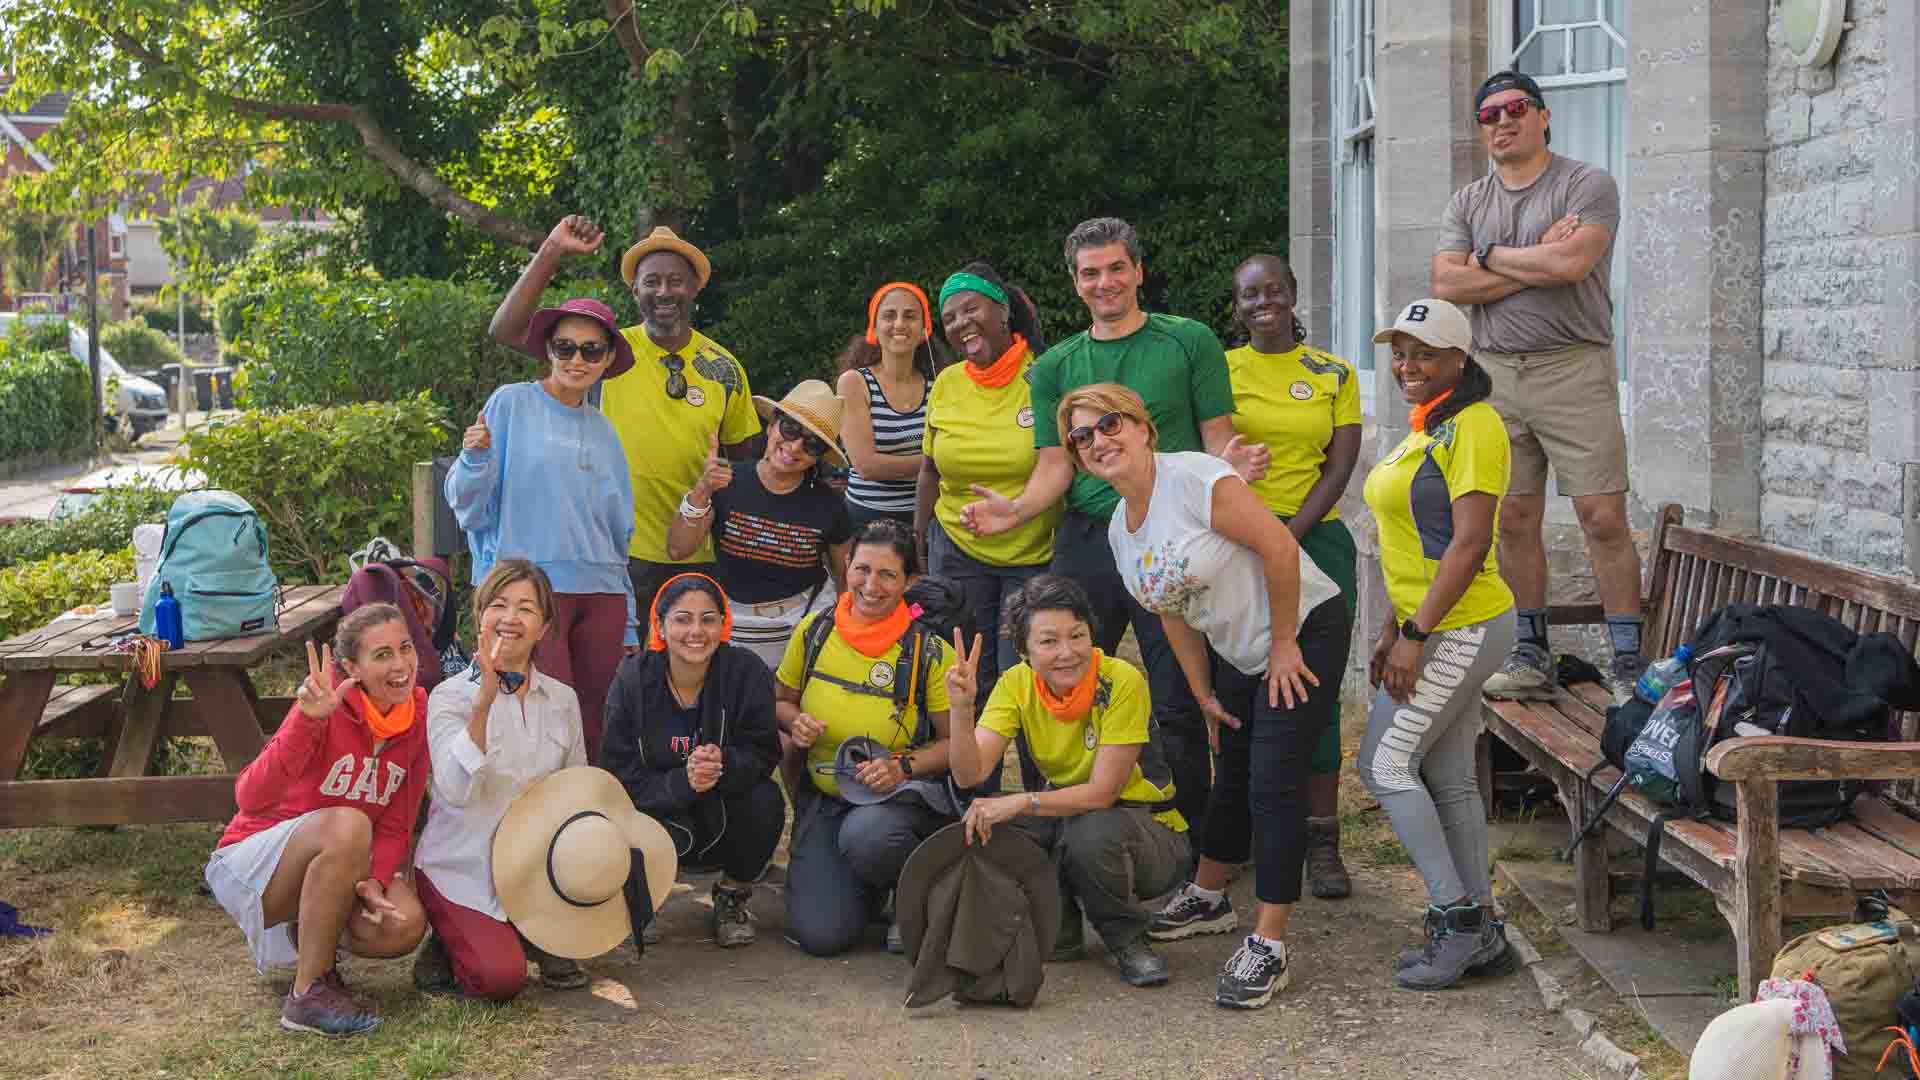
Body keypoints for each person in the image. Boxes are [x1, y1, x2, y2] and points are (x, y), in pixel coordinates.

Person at [960, 217, 1269, 838]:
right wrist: (1017, 510)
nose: (1105, 283)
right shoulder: (1055, 367)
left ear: (1137, 272)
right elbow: (1055, 466)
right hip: (1087, 538)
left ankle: (1197, 836)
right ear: (1075, 283)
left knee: (1180, 692)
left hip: (1171, 537)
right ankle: (1053, 825)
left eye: (1116, 269)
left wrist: (1230, 469)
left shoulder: (1189, 341)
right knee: (1052, 668)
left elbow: (1216, 437)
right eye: (1090, 273)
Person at [1066, 382, 1348, 1010]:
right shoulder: (1121, 528)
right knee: (1234, 767)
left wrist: (1282, 644)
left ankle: (1269, 944)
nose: (1097, 442)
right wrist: (1202, 695)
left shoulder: (1196, 479)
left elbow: (1278, 545)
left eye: (1108, 424)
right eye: (1081, 437)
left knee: (1273, 783)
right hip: (1239, 647)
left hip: (1304, 625)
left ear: (1142, 426)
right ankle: (1211, 894)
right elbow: (1170, 609)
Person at [1431, 70, 1643, 701]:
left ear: (1543, 116)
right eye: (1489, 114)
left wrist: (1489, 259)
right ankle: (1531, 654)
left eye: (1515, 108)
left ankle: (1629, 663)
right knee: (1514, 518)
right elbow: (1446, 284)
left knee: (1601, 515)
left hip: (1573, 367)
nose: (1502, 121)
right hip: (1494, 374)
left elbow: (1574, 262)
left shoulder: (1586, 184)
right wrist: (1530, 263)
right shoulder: (1468, 203)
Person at [1356, 299, 1519, 990]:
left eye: (1423, 352)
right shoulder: (1428, 428)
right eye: (1399, 352)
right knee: (1447, 776)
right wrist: (1394, 628)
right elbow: (1411, 546)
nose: (1407, 365)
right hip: (1428, 623)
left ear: (1460, 358)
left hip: (1463, 625)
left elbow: (1470, 542)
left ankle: (1457, 918)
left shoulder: (1475, 426)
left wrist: (1416, 635)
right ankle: (1483, 929)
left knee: (1385, 763)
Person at [488, 215, 763, 610]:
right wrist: (552, 250)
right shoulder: (605, 352)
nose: (664, 291)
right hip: (606, 553)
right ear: (635, 291)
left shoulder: (725, 368)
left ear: (696, 287)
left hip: (693, 556)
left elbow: (742, 464)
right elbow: (507, 332)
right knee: (616, 669)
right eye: (652, 282)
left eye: (676, 280)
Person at [945, 575, 1190, 989]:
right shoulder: (1016, 684)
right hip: (1071, 811)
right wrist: (962, 707)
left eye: (1077, 635)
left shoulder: (1121, 681)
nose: (1066, 653)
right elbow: (970, 774)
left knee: (1089, 834)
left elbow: (1103, 792)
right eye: (1048, 641)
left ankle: (1126, 937)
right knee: (984, 820)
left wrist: (1022, 801)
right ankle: (1061, 923)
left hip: (1146, 827)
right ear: (1023, 650)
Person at [204, 606, 431, 1036]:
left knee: (404, 923)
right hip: (254, 863)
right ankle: (307, 994)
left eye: (405, 648)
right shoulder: (325, 708)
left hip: (337, 860)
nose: (401, 665)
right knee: (350, 824)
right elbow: (249, 796)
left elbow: (397, 824)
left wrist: (376, 881)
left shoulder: (416, 714)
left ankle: (309, 942)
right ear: (352, 667)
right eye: (382, 655)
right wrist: (305, 721)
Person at [1220, 254, 1363, 900]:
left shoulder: (1333, 373)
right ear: (1238, 305)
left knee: (1315, 689)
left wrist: (1288, 535)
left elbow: (1338, 469)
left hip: (1314, 541)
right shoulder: (1221, 371)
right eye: (1250, 294)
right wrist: (1255, 532)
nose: (1263, 302)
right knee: (1239, 683)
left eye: (1274, 290)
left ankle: (1322, 840)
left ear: (1294, 293)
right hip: (1237, 541)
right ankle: (1244, 830)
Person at [448, 296, 638, 765]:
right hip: (527, 591)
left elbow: (618, 535)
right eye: (565, 347)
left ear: (608, 359)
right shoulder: (511, 403)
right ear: (548, 350)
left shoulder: (605, 430)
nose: (577, 360)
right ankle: (525, 824)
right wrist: (472, 460)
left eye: (592, 350)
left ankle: (583, 821)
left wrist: (630, 615)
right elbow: (468, 507)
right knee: (531, 715)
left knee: (594, 720)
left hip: (601, 595)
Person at [412, 559, 593, 1001]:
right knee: (500, 980)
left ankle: (523, 927)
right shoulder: (449, 696)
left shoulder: (563, 700)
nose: (511, 618)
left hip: (534, 868)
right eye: (499, 605)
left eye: (527, 609)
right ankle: (450, 935)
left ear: (544, 628)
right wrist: (484, 703)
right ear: (480, 617)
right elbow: (454, 790)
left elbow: (575, 792)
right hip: (463, 867)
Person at [775, 519, 957, 957]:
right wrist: (794, 722)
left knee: (870, 837)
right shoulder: (816, 630)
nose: (870, 585)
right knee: (822, 937)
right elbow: (781, 701)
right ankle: (864, 888)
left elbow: (956, 745)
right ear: (847, 566)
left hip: (891, 806)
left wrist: (902, 768)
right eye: (861, 569)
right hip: (826, 798)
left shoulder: (928, 651)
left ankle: (907, 890)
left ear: (910, 581)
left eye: (887, 574)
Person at [916, 262, 1059, 789]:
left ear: (1003, 309)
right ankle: (974, 800)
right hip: (958, 551)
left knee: (1033, 676)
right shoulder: (948, 383)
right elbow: (929, 470)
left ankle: (1045, 804)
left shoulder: (1044, 374)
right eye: (950, 317)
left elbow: (1061, 463)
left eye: (970, 308)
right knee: (970, 679)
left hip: (1034, 554)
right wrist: (920, 552)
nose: (960, 323)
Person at [601, 573, 785, 948]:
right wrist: (682, 782)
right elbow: (616, 773)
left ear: (723, 624)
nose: (695, 631)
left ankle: (732, 895)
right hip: (657, 810)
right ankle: (643, 897)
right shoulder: (632, 679)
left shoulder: (746, 672)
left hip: (721, 808)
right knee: (620, 814)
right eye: (682, 619)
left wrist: (723, 764)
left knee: (765, 800)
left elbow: (764, 753)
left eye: (708, 618)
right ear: (660, 626)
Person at [667, 380, 853, 670]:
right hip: (733, 623)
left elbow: (845, 579)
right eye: (790, 429)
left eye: (812, 444)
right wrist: (702, 491)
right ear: (771, 425)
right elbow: (678, 549)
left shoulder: (829, 504)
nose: (794, 446)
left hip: (801, 625)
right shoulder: (727, 483)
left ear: (818, 456)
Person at [837, 282, 937, 531]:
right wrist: (936, 461)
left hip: (928, 519)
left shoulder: (939, 385)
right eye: (889, 316)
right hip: (867, 522)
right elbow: (866, 466)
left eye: (910, 316)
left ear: (925, 329)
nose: (900, 324)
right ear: (874, 328)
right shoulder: (854, 383)